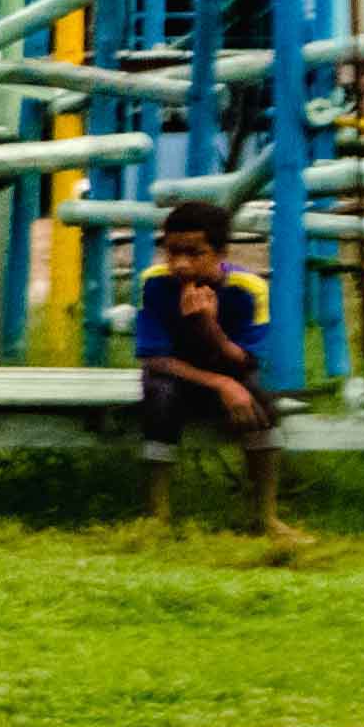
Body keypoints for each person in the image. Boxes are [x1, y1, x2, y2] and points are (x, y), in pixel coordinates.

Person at [133, 199, 282, 534]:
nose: (181, 264)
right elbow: (154, 358)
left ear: (220, 252)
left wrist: (209, 326)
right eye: (172, 252)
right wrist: (220, 384)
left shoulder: (247, 289)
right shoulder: (155, 283)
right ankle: (157, 517)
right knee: (160, 398)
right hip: (176, 375)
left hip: (228, 371)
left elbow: (247, 359)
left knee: (262, 406)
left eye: (194, 253)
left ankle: (265, 516)